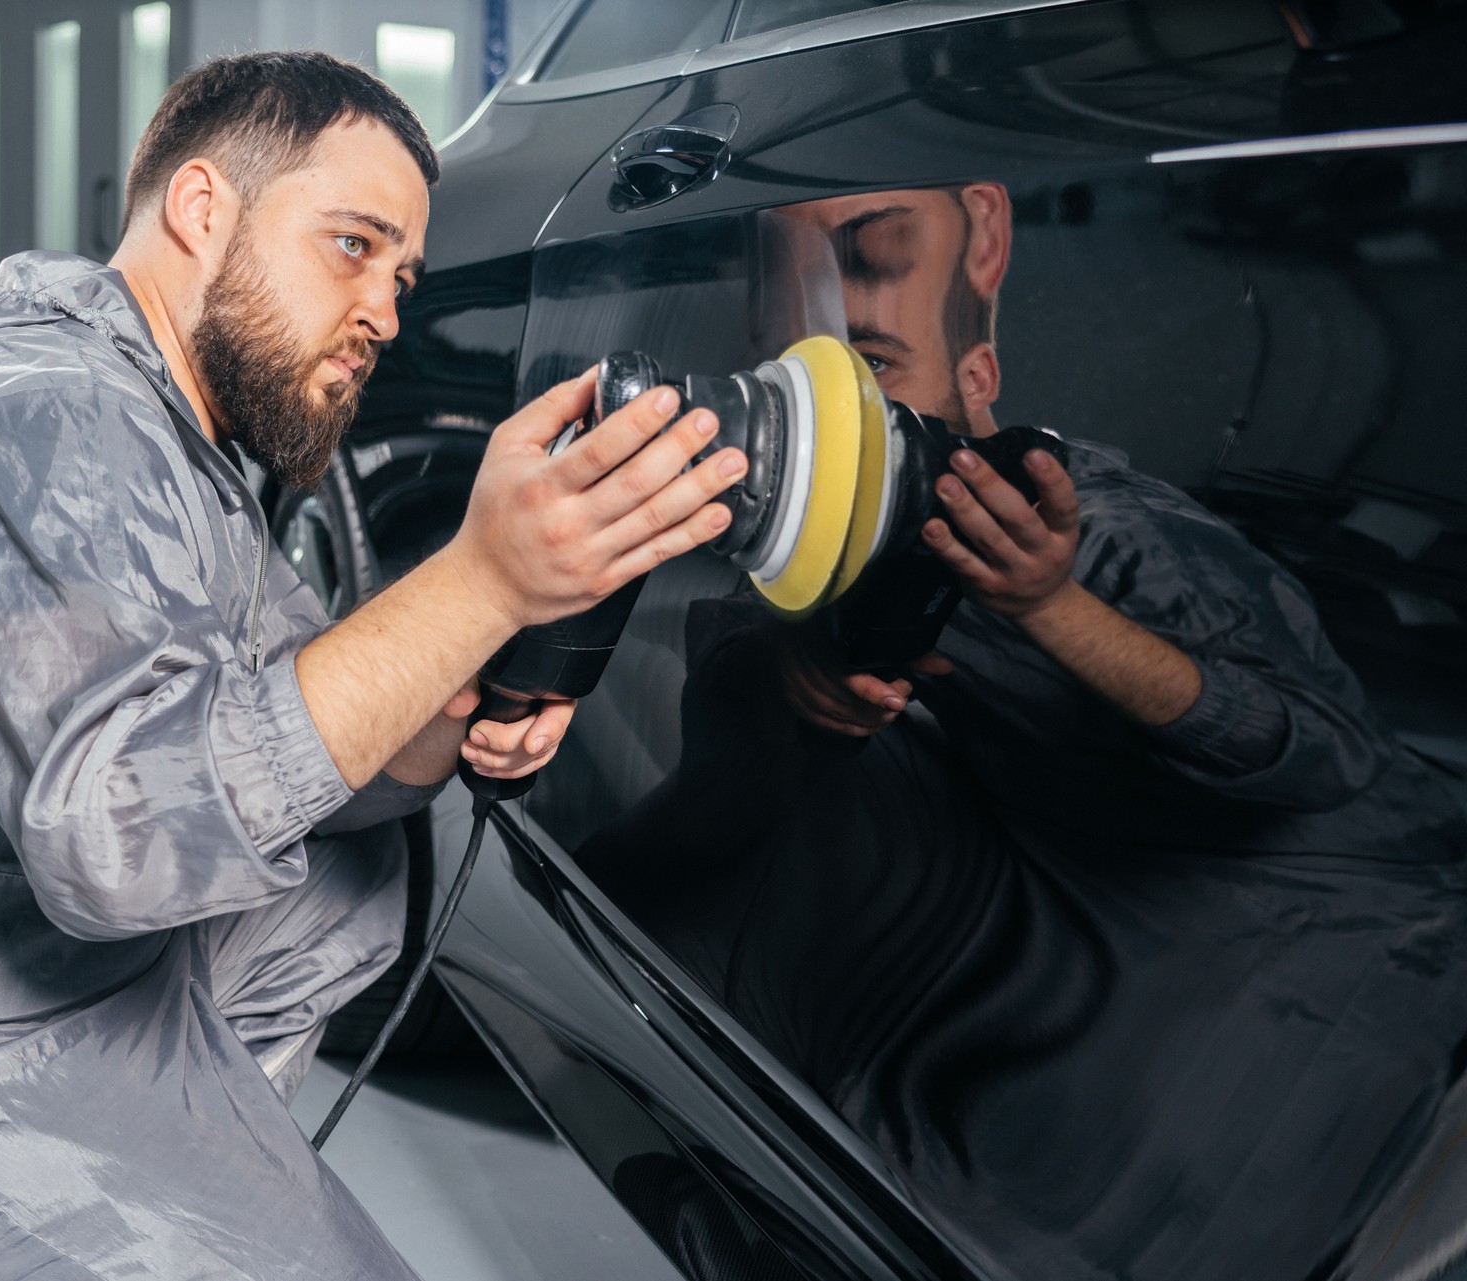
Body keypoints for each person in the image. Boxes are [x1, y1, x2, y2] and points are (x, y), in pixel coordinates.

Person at [0, 53, 748, 1281]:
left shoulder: (168, 443)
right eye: (351, 246)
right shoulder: (30, 414)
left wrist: (456, 690)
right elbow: (118, 840)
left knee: (344, 866)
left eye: (402, 275)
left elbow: (299, 742)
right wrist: (482, 578)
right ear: (202, 210)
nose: (387, 312)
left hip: (8, 999)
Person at [582, 183, 1467, 1280]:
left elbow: (1315, 750)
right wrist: (800, 679)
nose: (844, 421)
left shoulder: (1111, 529)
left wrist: (1053, 611)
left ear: (983, 380)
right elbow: (737, 678)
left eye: (878, 366)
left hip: (1305, 956)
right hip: (1023, 947)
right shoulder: (839, 551)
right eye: (812, 377)